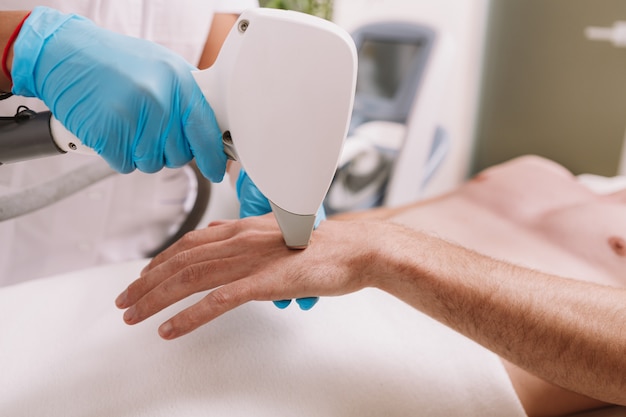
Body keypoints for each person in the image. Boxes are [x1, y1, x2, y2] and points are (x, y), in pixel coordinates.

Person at [115, 155, 626, 416]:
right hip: (267, 293)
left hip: (410, 360)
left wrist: (385, 254)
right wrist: (288, 218)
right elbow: (353, 232)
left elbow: (378, 244)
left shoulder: (385, 254)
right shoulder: (538, 168)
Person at [0, 1, 257, 284]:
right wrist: (27, 43)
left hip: (139, 265)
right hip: (15, 250)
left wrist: (261, 170)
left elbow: (226, 97)